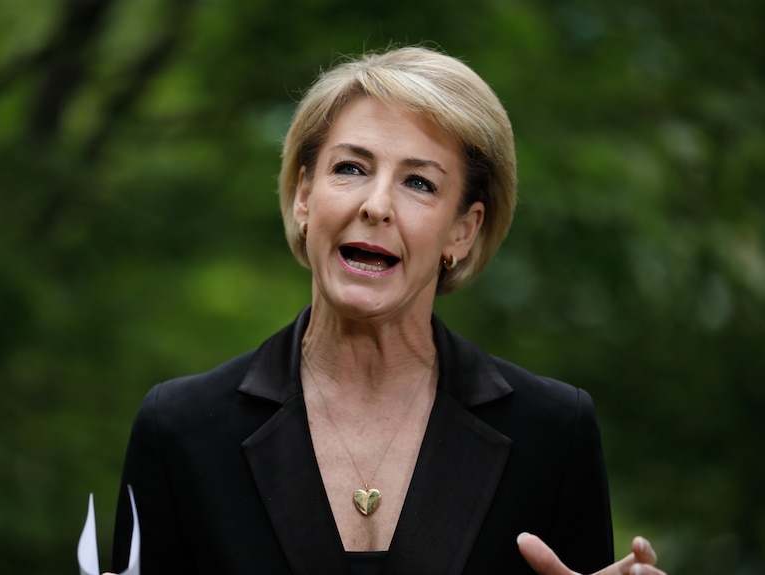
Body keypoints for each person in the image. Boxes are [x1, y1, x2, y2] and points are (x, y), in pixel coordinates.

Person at [109, 46, 666, 575]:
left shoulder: (553, 433)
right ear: (304, 196)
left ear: (463, 231)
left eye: (419, 183)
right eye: (351, 168)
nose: (376, 205)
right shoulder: (180, 428)